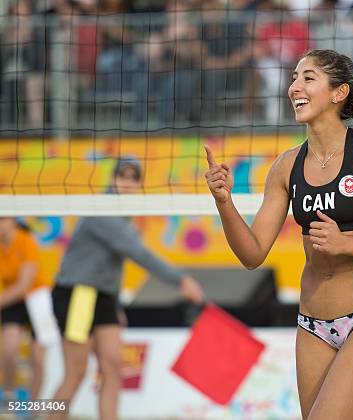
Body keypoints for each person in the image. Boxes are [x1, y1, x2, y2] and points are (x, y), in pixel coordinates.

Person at [204, 49, 353, 419]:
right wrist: (223, 202)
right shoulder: (286, 165)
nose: (295, 86)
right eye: (294, 77)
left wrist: (346, 244)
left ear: (339, 93)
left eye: (308, 78)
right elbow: (252, 254)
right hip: (312, 326)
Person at [49, 159, 205, 420]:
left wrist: (116, 305)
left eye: (134, 178)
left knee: (113, 366)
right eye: (123, 176)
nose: (128, 182)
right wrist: (181, 280)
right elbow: (138, 253)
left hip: (103, 296)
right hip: (79, 294)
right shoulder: (102, 211)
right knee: (75, 374)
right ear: (112, 179)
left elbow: (112, 265)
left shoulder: (124, 216)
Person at [0, 218, 57, 401]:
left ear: (12, 221)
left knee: (38, 358)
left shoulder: (26, 240)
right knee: (8, 350)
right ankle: (9, 397)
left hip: (37, 297)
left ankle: (34, 404)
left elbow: (24, 285)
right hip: (12, 299)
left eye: (1, 219)